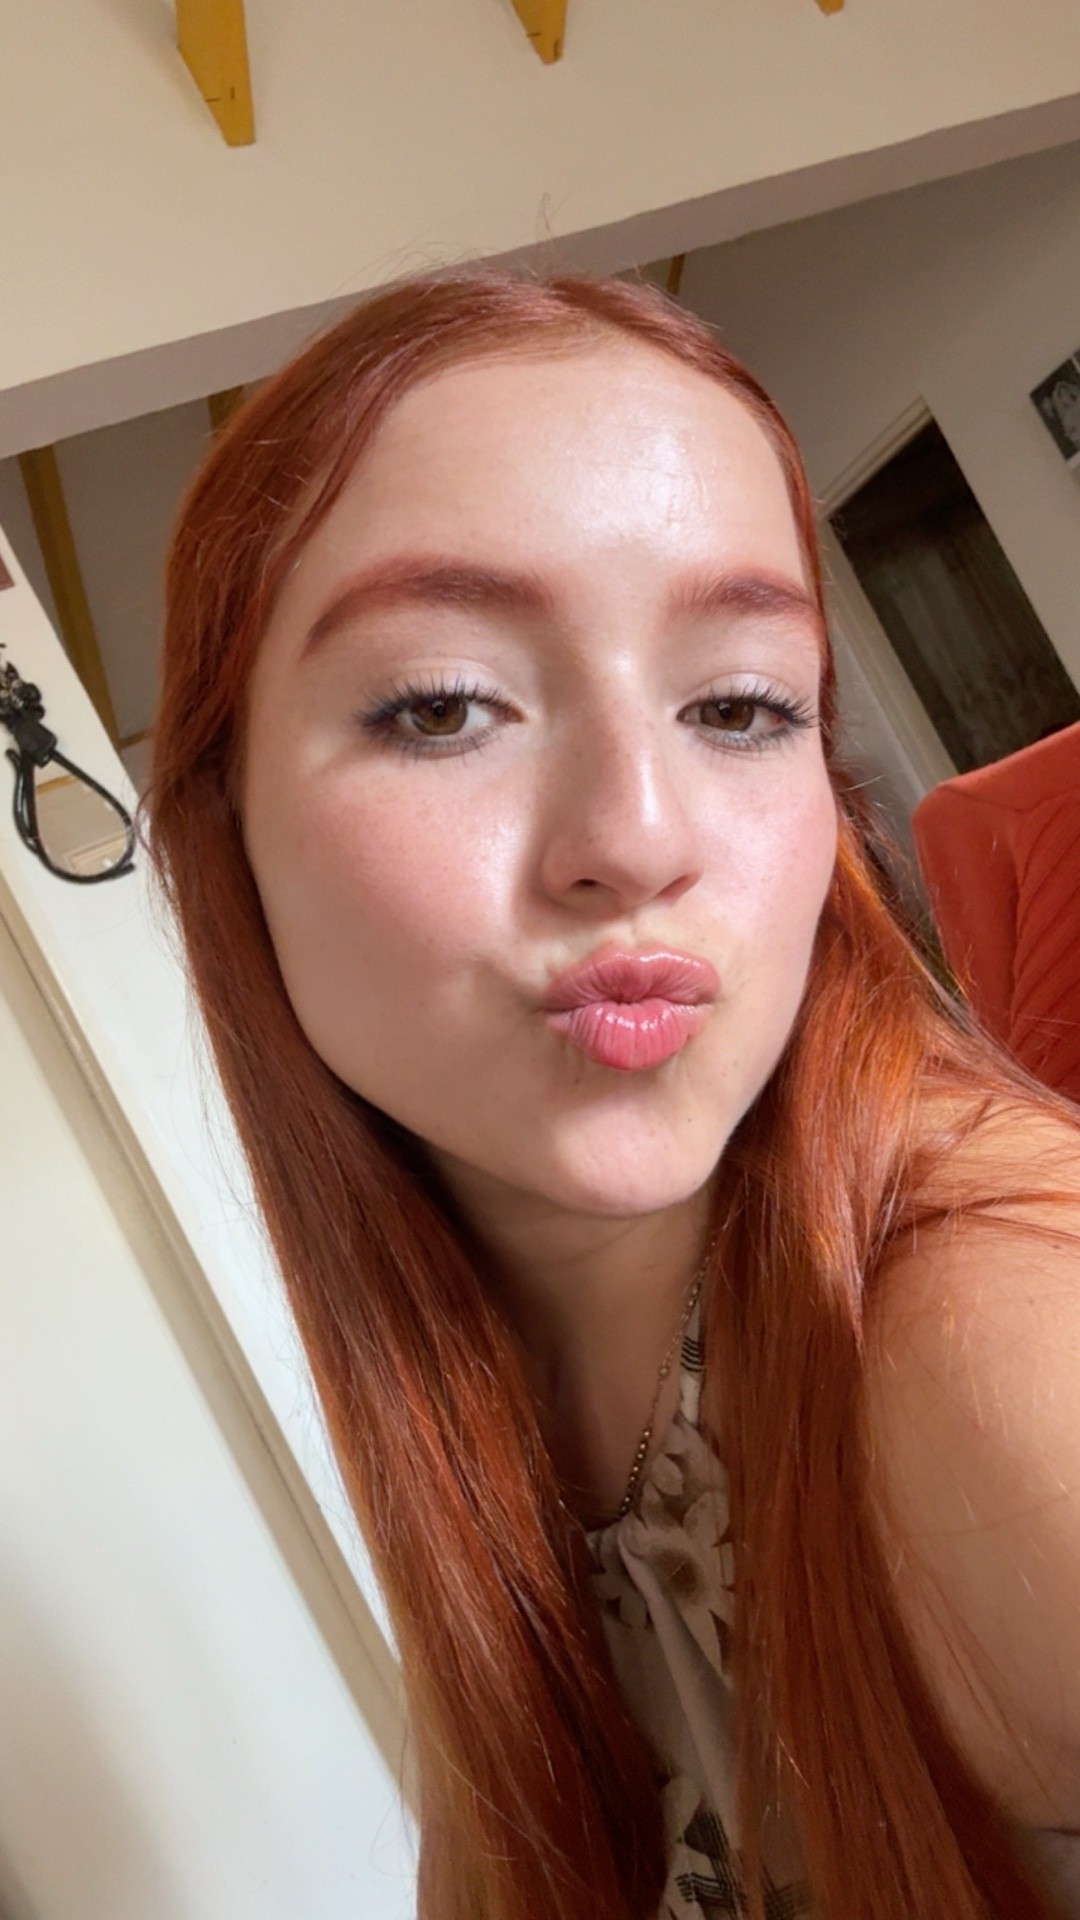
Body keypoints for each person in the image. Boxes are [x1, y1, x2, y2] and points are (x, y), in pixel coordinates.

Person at [147, 271, 1080, 1920]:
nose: (641, 836)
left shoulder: (993, 1348)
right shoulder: (480, 1385)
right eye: (445, 704)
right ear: (226, 825)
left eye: (739, 705)